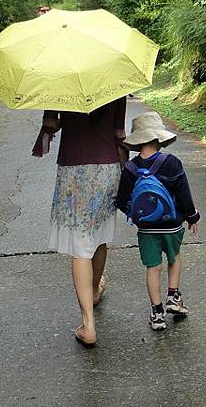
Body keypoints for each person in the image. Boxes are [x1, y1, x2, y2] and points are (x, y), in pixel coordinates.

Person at [40, 96, 128, 346]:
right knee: (99, 235)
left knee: (80, 244)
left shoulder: (60, 80)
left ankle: (88, 324)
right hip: (107, 167)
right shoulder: (115, 82)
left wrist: (62, 122)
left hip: (73, 167)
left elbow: (50, 123)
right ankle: (94, 290)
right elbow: (119, 133)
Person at [116, 112, 200, 331]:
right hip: (172, 225)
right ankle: (174, 296)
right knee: (174, 258)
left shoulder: (130, 169)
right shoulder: (172, 163)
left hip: (146, 229)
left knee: (153, 267)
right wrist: (191, 216)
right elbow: (184, 194)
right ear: (158, 139)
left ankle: (157, 313)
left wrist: (138, 216)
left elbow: (122, 201)